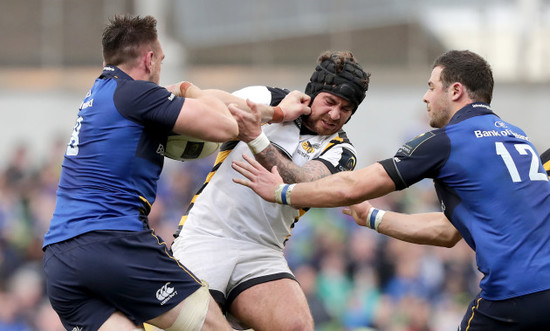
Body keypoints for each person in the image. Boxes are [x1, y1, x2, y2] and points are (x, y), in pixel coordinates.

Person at [232, 50, 550, 330]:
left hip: (514, 294)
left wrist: (282, 192)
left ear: (455, 90)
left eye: (431, 87)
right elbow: (447, 231)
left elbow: (352, 186)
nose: (426, 97)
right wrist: (372, 217)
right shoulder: (517, 137)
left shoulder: (447, 141)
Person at [41, 14, 309, 331]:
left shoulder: (102, 96)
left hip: (60, 260)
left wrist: (277, 113)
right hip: (113, 243)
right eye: (162, 60)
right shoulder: (136, 94)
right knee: (213, 324)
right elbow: (225, 124)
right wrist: (186, 88)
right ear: (150, 58)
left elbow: (223, 106)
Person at [171, 50, 370, 330]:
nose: (335, 113)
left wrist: (256, 138)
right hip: (206, 237)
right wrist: (273, 115)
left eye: (346, 109)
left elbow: (306, 183)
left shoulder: (342, 150)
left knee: (297, 326)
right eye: (330, 101)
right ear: (313, 93)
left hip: (262, 250)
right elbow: (210, 104)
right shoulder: (271, 99)